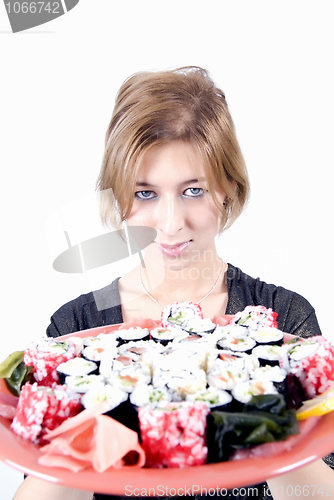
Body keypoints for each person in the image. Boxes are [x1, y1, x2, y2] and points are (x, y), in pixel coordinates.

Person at [14, 67, 334, 500]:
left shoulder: (285, 322)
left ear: (228, 189)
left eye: (193, 191)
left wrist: (268, 421)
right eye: (145, 193)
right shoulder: (76, 329)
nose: (169, 224)